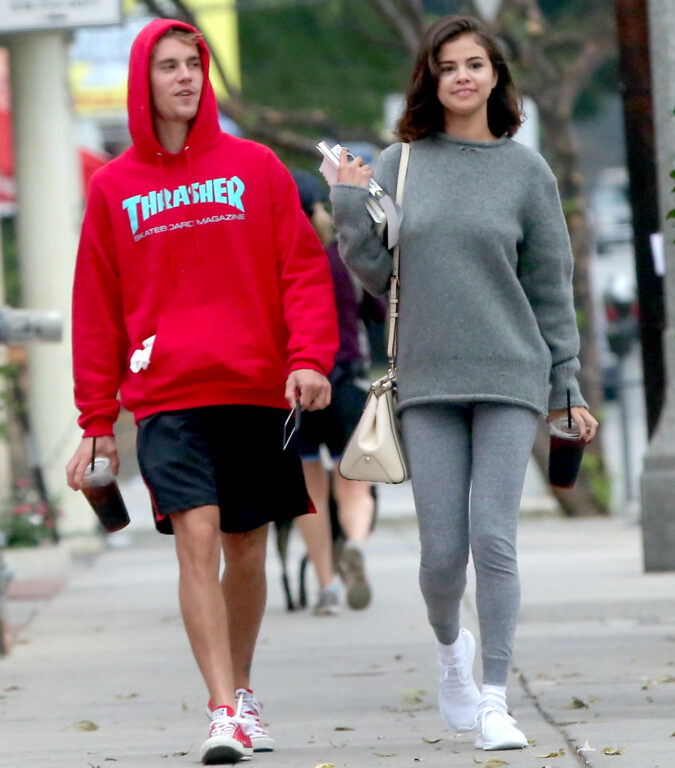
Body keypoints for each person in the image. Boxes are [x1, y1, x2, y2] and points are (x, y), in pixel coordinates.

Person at [66, 19, 338, 766]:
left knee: (245, 547)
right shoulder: (113, 188)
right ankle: (221, 711)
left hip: (255, 390)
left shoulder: (256, 168)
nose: (185, 76)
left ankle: (242, 691)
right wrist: (96, 418)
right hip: (167, 397)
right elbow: (96, 308)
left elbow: (301, 271)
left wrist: (309, 357)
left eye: (193, 63)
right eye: (168, 66)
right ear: (142, 81)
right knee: (196, 536)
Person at [331, 14, 598, 754]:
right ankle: (452, 652)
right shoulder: (400, 163)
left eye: (474, 64)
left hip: (511, 373)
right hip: (427, 379)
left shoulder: (526, 173)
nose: (461, 77)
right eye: (446, 66)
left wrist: (566, 384)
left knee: (494, 539)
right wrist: (349, 202)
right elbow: (375, 275)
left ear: (495, 75)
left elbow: (551, 287)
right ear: (430, 78)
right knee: (442, 555)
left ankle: (494, 699)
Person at [290, 170, 382, 616]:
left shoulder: (279, 263)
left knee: (309, 495)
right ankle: (357, 544)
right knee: (355, 487)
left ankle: (326, 587)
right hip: (347, 384)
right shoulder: (344, 258)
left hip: (297, 389)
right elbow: (377, 310)